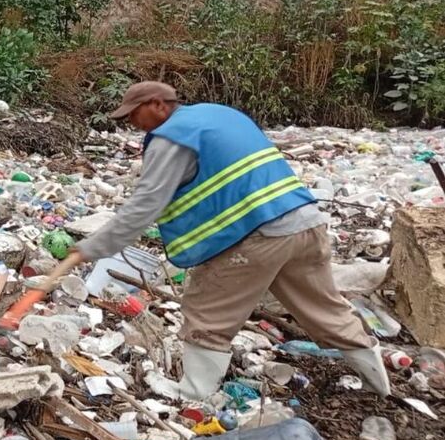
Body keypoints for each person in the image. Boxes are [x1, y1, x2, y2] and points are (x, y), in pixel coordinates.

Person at [48, 81, 389, 400]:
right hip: (305, 223)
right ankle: (379, 385)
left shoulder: (172, 137)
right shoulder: (219, 115)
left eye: (134, 114)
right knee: (324, 307)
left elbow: (145, 204)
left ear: (158, 105)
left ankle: (194, 391)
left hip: (257, 235)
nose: (133, 123)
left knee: (206, 309)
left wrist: (91, 247)